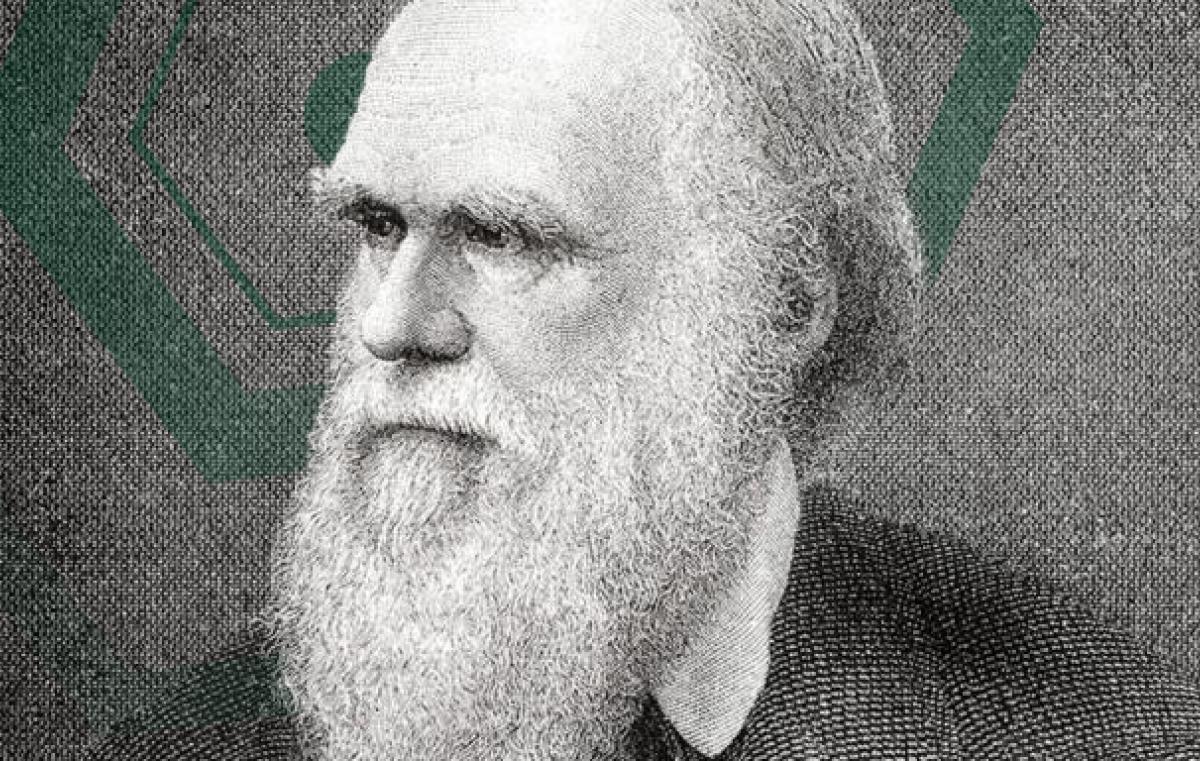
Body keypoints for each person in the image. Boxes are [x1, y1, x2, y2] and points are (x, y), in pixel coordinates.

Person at [91, 0, 1200, 759]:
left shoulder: (1088, 722)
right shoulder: (190, 742)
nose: (391, 324)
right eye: (380, 226)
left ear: (784, 301)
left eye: (503, 236)